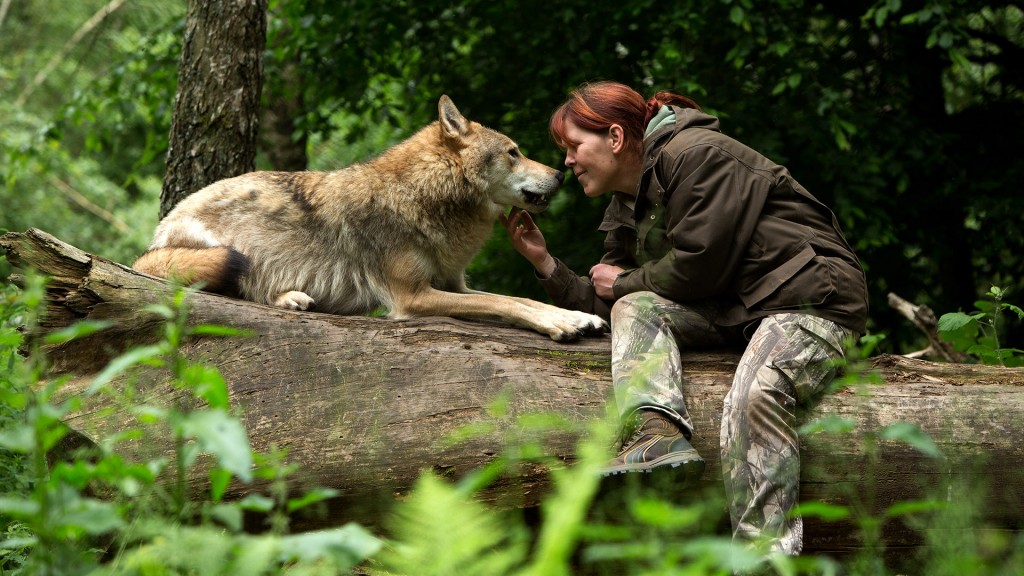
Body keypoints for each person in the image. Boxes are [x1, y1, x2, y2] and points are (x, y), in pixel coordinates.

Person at [500, 81, 868, 555]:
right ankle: (657, 432)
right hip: (739, 310)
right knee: (636, 306)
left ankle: (766, 560)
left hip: (810, 298)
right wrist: (546, 265)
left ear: (614, 137)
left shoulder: (698, 154)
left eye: (573, 146)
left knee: (757, 392)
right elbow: (616, 307)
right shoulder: (625, 203)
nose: (567, 162)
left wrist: (624, 284)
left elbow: (700, 265)